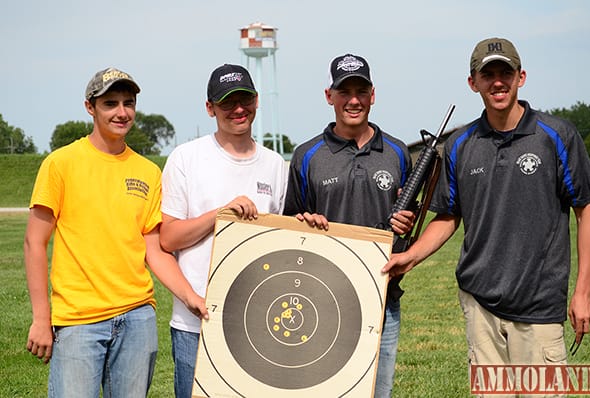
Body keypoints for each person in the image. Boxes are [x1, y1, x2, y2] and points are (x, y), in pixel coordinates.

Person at [383, 37, 590, 379]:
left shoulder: (557, 135)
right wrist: (412, 256)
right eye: (488, 74)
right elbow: (448, 215)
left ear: (521, 77)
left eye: (506, 72)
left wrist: (583, 292)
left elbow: (586, 210)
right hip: (479, 305)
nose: (498, 81)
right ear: (474, 83)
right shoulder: (460, 144)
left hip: (539, 303)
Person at [23, 67, 208, 398]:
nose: (122, 112)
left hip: (137, 319)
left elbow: (154, 249)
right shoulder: (60, 164)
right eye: (110, 103)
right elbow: (34, 243)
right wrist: (41, 319)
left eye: (128, 103)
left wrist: (190, 297)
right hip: (79, 320)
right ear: (90, 107)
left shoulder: (148, 172)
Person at [284, 54, 415, 398]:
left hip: (383, 301)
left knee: (378, 392)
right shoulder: (306, 155)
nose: (353, 100)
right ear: (330, 96)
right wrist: (305, 223)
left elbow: (409, 225)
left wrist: (407, 221)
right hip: (323, 302)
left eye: (361, 90)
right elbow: (288, 227)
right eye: (345, 91)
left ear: (373, 95)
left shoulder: (398, 153)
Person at [160, 63, 288, 398]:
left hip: (259, 323)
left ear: (257, 101)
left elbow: (282, 242)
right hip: (196, 323)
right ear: (210, 107)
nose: (239, 109)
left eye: (245, 99)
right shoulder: (185, 158)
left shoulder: (275, 164)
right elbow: (168, 238)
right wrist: (220, 215)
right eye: (228, 102)